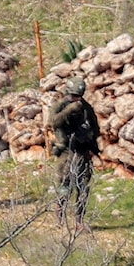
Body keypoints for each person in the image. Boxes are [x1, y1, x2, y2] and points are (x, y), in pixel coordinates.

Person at [49, 76, 100, 231]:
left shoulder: (85, 108)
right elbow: (53, 122)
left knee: (83, 187)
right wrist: (69, 110)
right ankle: (59, 219)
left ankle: (79, 221)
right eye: (73, 96)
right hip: (66, 152)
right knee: (65, 186)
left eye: (78, 97)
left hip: (82, 151)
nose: (76, 100)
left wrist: (91, 142)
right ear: (67, 93)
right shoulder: (60, 105)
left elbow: (95, 127)